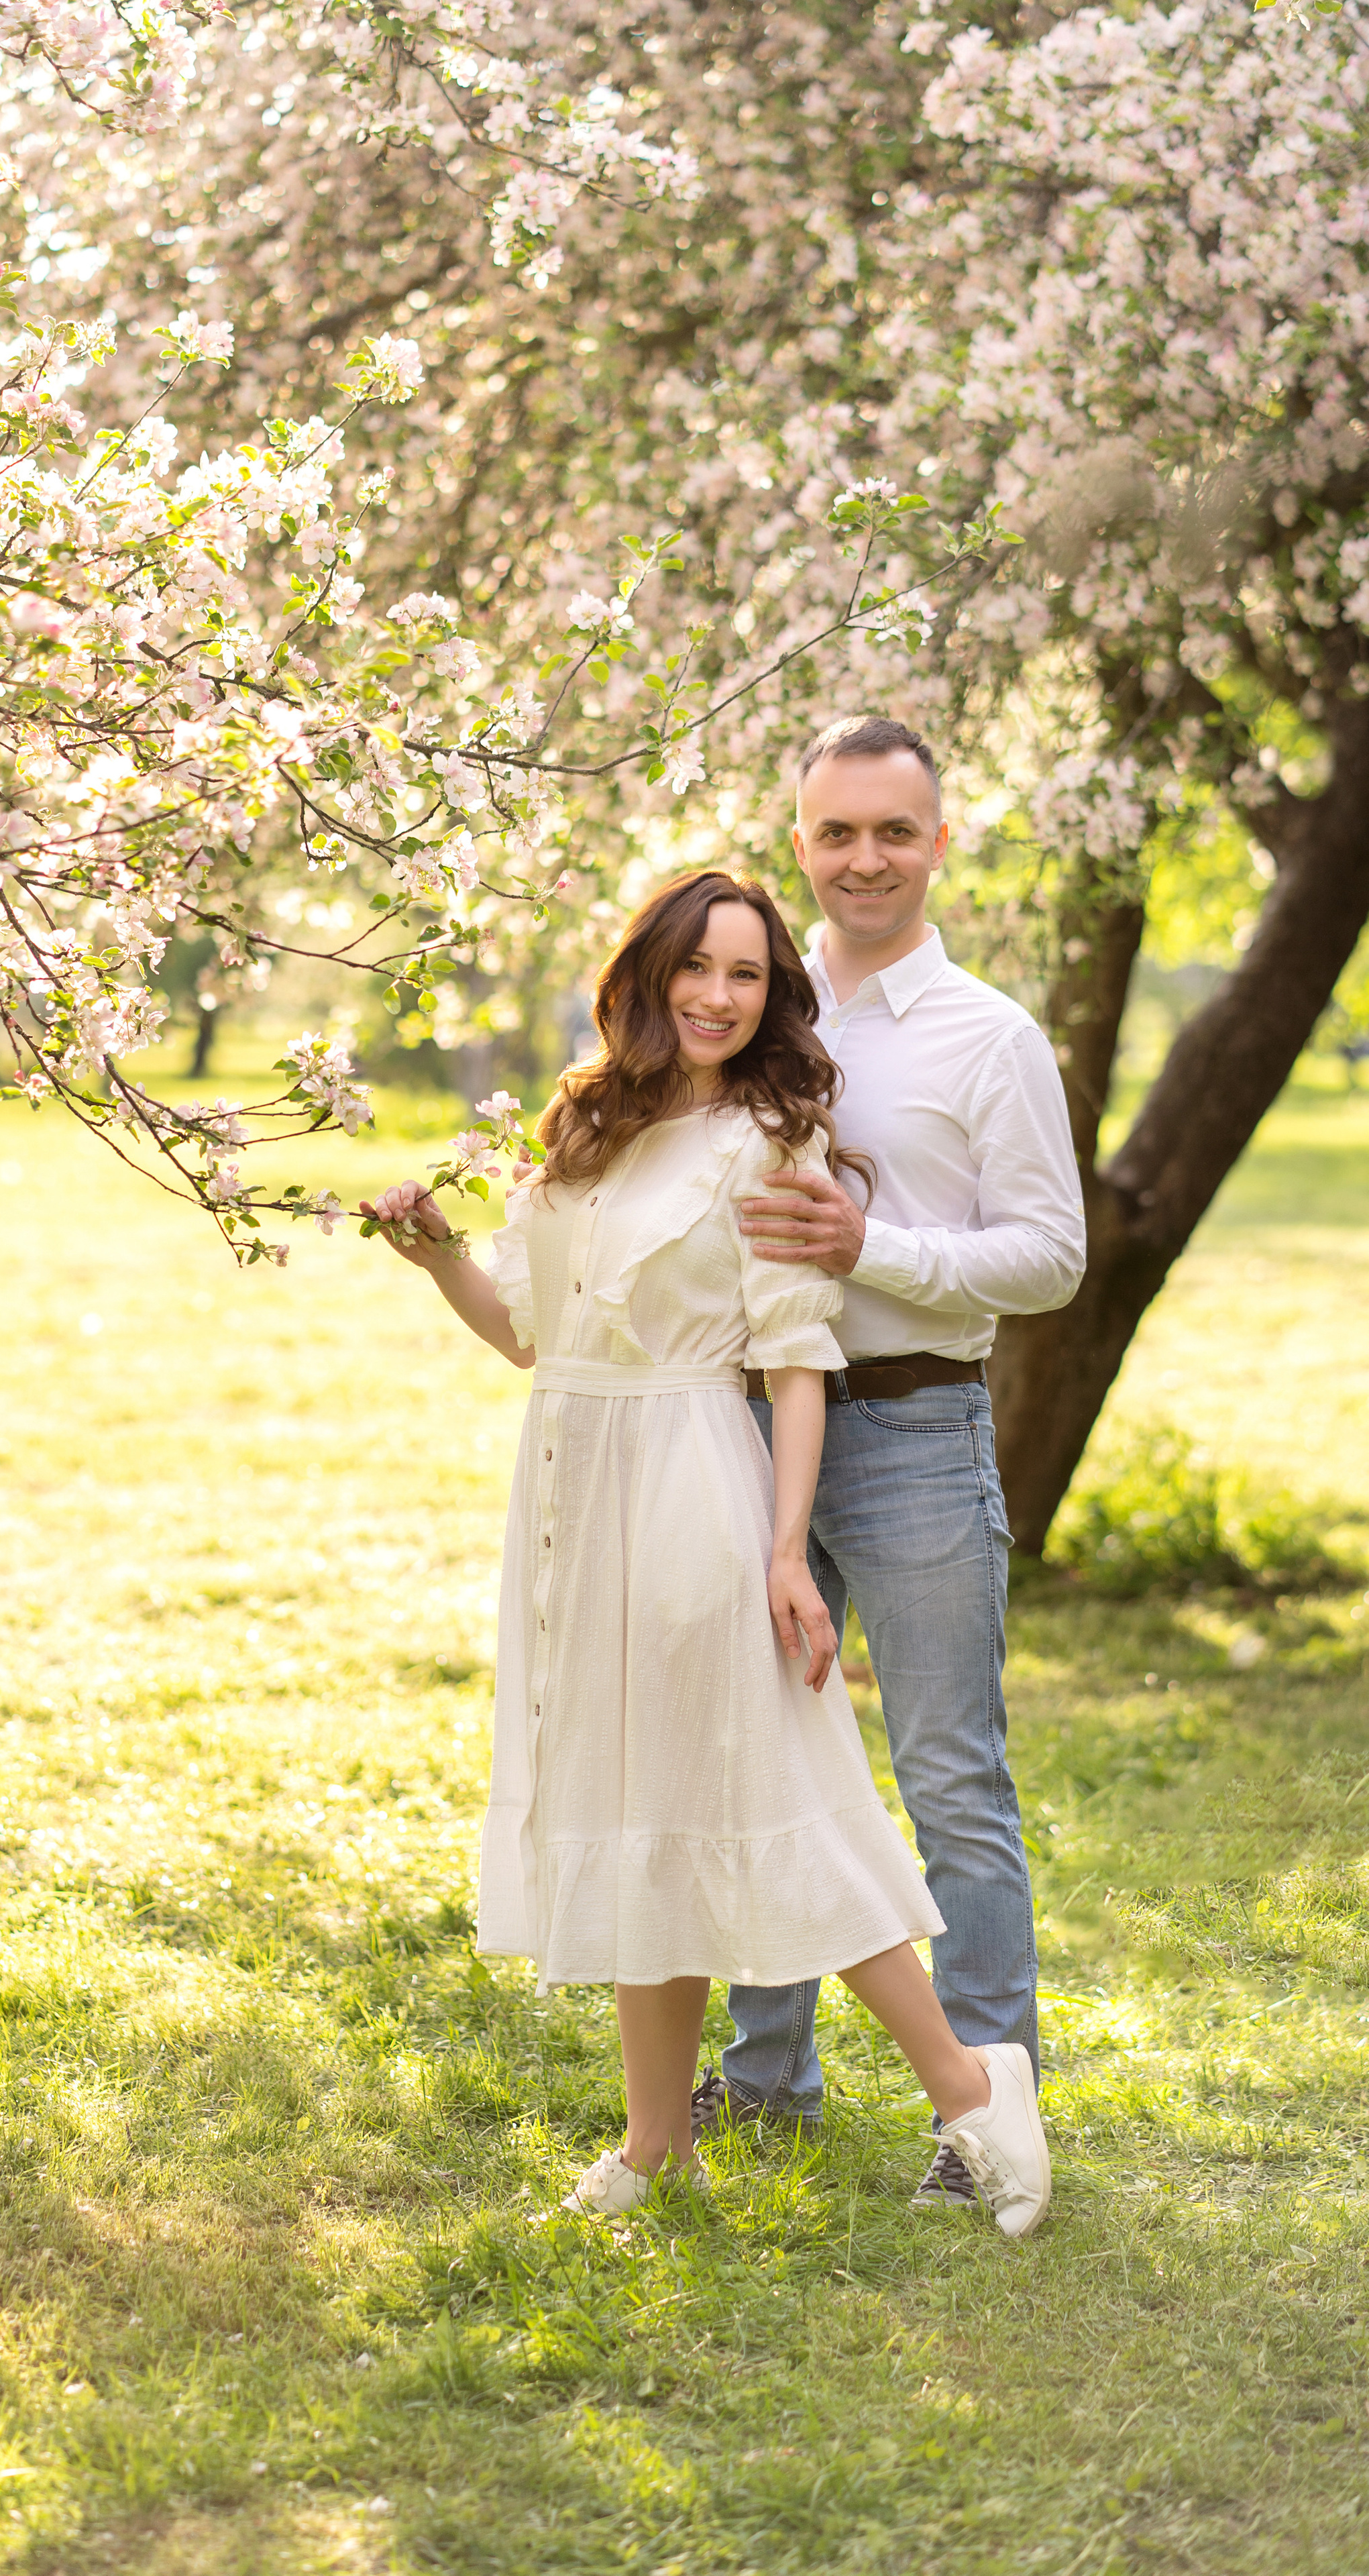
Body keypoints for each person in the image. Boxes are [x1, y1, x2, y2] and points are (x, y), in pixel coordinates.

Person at [361, 870, 1052, 2235]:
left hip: (693, 1480)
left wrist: (785, 1554)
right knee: (637, 1802)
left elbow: (794, 1366)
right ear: (645, 972)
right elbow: (525, 1336)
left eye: (746, 975)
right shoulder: (582, 1124)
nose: (717, 997)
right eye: (697, 968)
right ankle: (655, 2139)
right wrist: (437, 1252)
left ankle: (971, 2084)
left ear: (770, 994)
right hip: (571, 1484)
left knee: (770, 1795)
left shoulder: (771, 1137)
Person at [710, 714, 1086, 2215]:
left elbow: (1050, 1255)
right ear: (798, 839)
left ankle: (986, 2115)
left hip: (921, 1430)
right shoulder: (741, 1011)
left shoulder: (986, 1036)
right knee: (765, 1764)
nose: (862, 857)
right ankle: (761, 2084)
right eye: (834, 831)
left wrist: (880, 1249)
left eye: (891, 831)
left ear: (939, 843)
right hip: (746, 1435)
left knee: (949, 1782)